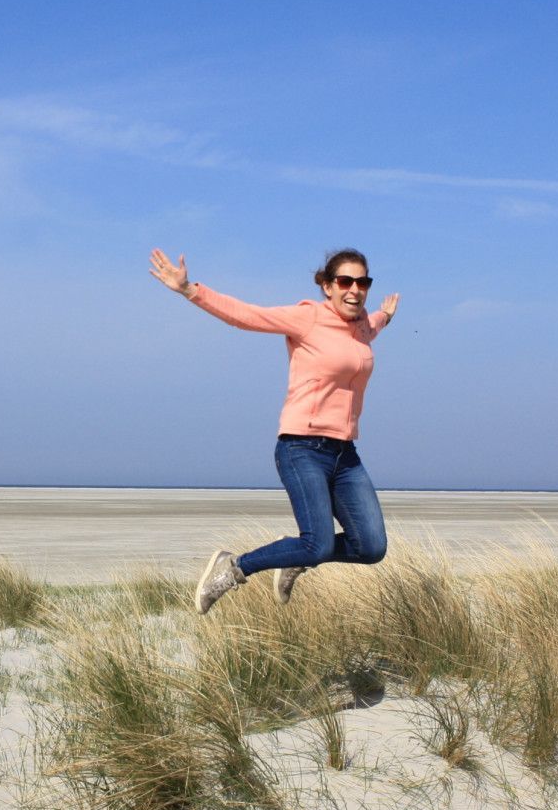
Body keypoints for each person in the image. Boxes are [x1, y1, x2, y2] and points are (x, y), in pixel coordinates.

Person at [149, 247, 399, 614]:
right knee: (318, 544)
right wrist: (190, 290)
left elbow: (372, 328)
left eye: (363, 282)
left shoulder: (362, 326)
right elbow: (247, 316)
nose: (355, 290)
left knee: (371, 547)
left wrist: (386, 316)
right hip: (303, 449)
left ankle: (293, 556)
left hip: (346, 455)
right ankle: (233, 568)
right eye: (345, 281)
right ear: (327, 286)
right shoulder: (307, 318)